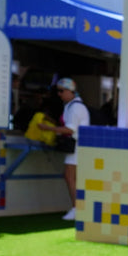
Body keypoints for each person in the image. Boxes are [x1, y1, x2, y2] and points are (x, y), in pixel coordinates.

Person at [39, 77, 89, 220]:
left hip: (77, 146)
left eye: (61, 91)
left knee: (70, 176)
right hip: (77, 146)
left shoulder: (75, 107)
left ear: (70, 91)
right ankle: (78, 207)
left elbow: (70, 129)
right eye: (58, 91)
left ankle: (77, 208)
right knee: (73, 177)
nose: (59, 94)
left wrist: (48, 128)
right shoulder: (71, 106)